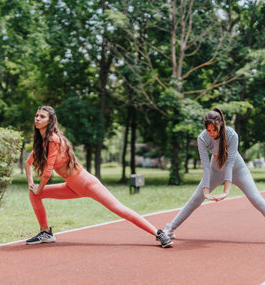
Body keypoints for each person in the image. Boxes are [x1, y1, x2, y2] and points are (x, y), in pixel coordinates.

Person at [25, 106, 172, 248]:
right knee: (34, 194)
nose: (38, 118)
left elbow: (48, 170)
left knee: (119, 209)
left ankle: (159, 233)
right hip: (72, 187)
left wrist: (40, 188)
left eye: (42, 116)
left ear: (50, 121)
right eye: (37, 115)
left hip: (87, 184)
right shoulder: (42, 143)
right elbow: (27, 163)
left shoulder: (53, 139)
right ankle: (45, 232)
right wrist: (32, 184)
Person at [163, 107, 265, 246]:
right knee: (196, 198)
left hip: (238, 169)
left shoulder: (232, 135)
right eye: (208, 130)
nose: (212, 133)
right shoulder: (202, 137)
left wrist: (226, 191)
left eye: (214, 130)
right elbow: (205, 166)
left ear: (221, 125)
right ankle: (170, 228)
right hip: (214, 169)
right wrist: (205, 190)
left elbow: (229, 165)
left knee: (256, 199)